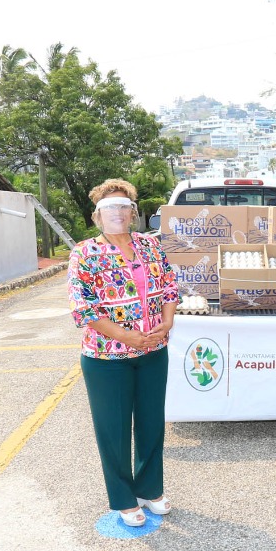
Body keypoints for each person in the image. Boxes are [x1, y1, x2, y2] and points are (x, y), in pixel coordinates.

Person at [68, 179, 180, 527]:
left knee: (150, 423)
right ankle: (123, 498)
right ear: (96, 216)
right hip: (106, 358)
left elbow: (169, 287)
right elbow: (82, 308)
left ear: (133, 213)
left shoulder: (150, 246)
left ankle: (150, 489)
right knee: (113, 429)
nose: (117, 213)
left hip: (153, 350)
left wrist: (167, 323)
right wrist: (126, 337)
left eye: (123, 207)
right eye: (109, 208)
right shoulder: (84, 253)